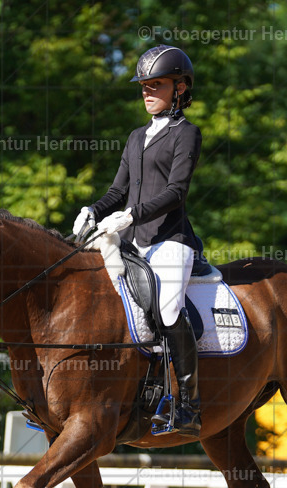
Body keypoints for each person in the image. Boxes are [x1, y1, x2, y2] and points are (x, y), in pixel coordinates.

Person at [73, 45, 203, 437]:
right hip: (129, 238)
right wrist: (93, 210)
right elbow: (118, 191)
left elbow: (176, 192)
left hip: (170, 238)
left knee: (166, 310)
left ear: (180, 87)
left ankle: (188, 405)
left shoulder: (186, 134)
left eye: (156, 84)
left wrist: (132, 215)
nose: (147, 91)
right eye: (144, 85)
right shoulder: (136, 137)